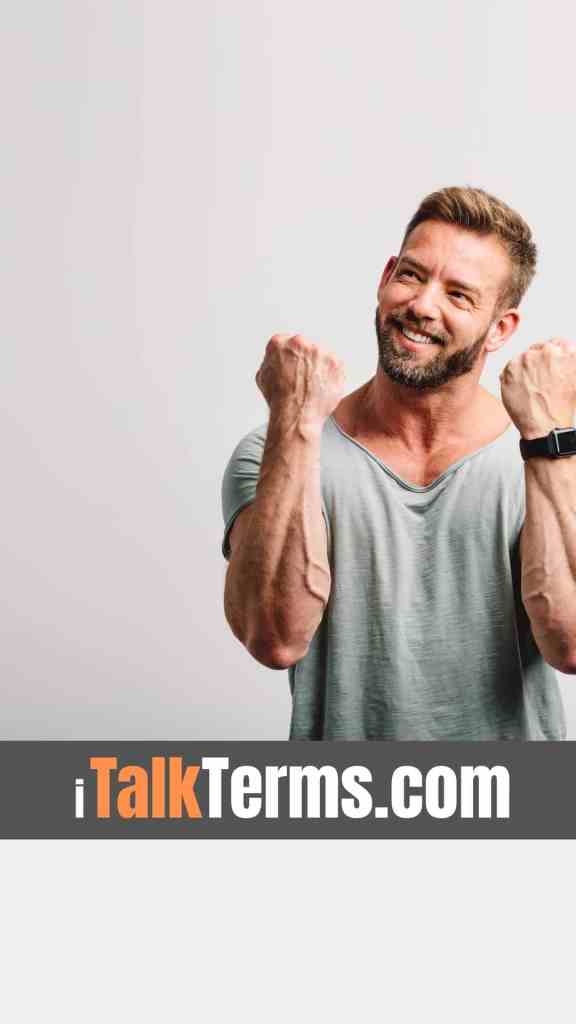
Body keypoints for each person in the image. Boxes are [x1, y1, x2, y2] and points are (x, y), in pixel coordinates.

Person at [221, 186, 576, 740]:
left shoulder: (544, 456)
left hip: (516, 816)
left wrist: (550, 439)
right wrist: (294, 423)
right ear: (387, 275)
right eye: (412, 275)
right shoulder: (280, 450)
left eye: (459, 295)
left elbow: (571, 643)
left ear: (500, 329)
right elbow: (274, 638)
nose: (422, 306)